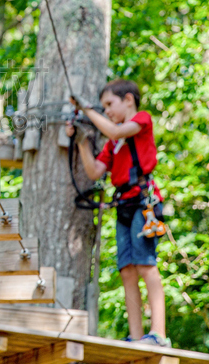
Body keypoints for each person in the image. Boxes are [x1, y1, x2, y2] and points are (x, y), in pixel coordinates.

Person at [65, 79, 170, 347]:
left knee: (146, 264)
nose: (107, 111)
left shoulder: (141, 121)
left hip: (143, 202)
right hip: (124, 204)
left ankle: (158, 334)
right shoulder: (113, 146)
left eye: (109, 104)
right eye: (103, 107)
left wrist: (87, 109)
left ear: (128, 100)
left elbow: (113, 130)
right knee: (127, 270)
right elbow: (94, 172)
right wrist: (81, 142)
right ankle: (136, 337)